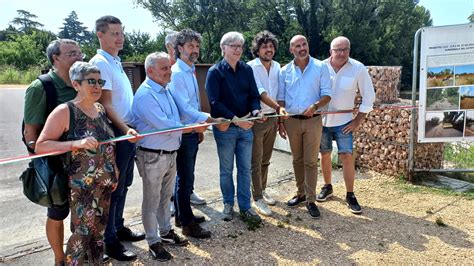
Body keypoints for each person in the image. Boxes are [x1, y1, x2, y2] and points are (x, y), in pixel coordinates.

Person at [36, 61, 117, 265]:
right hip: (82, 187)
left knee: (98, 233)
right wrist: (75, 143)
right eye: (91, 81)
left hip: (104, 183)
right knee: (82, 235)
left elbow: (107, 145)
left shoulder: (99, 109)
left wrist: (113, 170)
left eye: (100, 81)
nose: (98, 86)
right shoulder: (65, 111)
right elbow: (41, 145)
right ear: (76, 84)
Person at [133, 52, 207, 261]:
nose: (169, 72)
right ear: (150, 71)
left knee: (165, 198)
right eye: (164, 68)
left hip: (169, 154)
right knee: (152, 200)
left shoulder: (165, 91)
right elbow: (165, 126)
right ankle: (153, 241)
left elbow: (176, 117)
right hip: (152, 156)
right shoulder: (146, 95)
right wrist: (194, 128)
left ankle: (165, 232)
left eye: (169, 67)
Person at [23, 39, 83, 266]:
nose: (78, 57)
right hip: (56, 164)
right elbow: (32, 135)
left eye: (79, 52)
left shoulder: (81, 83)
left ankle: (78, 252)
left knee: (83, 212)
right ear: (55, 58)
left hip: (82, 163)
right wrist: (45, 166)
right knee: (58, 213)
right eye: (71, 53)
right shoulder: (42, 87)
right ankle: (60, 258)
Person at [89, 15, 142, 261]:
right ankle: (109, 240)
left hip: (126, 131)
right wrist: (125, 130)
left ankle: (118, 228)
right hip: (116, 133)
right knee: (113, 187)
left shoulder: (116, 61)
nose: (120, 37)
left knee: (124, 184)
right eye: (114, 33)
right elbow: (106, 103)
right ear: (100, 35)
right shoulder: (100, 62)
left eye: (121, 33)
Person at [170, 29, 228, 238]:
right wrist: (209, 119)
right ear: (179, 48)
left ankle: (181, 215)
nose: (195, 50)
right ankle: (187, 224)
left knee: (186, 178)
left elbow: (192, 104)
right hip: (184, 133)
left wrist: (200, 128)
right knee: (184, 179)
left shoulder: (189, 69)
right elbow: (185, 108)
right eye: (190, 46)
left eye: (197, 46)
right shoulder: (177, 73)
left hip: (192, 131)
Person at [205, 31, 262, 224]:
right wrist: (236, 120)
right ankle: (228, 204)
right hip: (226, 129)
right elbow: (214, 103)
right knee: (226, 169)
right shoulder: (215, 72)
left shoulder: (247, 70)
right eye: (233, 45)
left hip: (247, 126)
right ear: (223, 48)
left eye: (240, 46)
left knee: (245, 169)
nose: (238, 49)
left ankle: (245, 207)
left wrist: (255, 112)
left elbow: (254, 95)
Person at [316, 36, 375, 214]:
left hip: (345, 122)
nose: (341, 53)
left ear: (349, 50)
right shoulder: (320, 67)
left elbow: (369, 95)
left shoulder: (358, 68)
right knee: (324, 155)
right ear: (330, 51)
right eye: (337, 50)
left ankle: (350, 194)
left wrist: (357, 121)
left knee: (347, 156)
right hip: (322, 121)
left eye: (344, 49)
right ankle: (328, 187)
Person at [277, 35, 331, 219]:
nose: (302, 48)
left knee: (310, 161)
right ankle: (300, 194)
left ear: (308, 45)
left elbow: (327, 94)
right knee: (297, 160)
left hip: (313, 119)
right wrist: (281, 120)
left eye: (304, 44)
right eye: (297, 46)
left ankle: (311, 200)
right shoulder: (284, 71)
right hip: (292, 120)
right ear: (291, 49)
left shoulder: (321, 67)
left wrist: (315, 106)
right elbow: (281, 99)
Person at [247, 31, 288, 216]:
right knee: (255, 161)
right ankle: (256, 198)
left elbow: (279, 95)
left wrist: (279, 120)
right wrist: (279, 109)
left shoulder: (278, 66)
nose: (268, 49)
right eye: (264, 46)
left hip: (272, 118)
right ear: (257, 49)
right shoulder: (251, 67)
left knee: (265, 160)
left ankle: (262, 190)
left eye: (271, 46)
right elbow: (260, 92)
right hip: (257, 119)